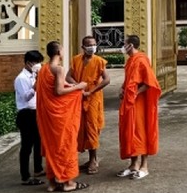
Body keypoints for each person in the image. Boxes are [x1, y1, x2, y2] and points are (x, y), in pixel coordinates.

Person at [35, 41, 89, 192]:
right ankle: (68, 183)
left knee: (52, 147)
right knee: (65, 145)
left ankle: (52, 183)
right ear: (58, 52)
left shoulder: (44, 69)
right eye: (63, 49)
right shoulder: (58, 69)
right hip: (60, 117)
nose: (64, 51)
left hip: (48, 116)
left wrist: (73, 87)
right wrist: (79, 87)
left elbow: (37, 87)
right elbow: (58, 91)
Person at [116, 34, 161, 180]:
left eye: (125, 43)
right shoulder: (130, 61)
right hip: (129, 102)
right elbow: (129, 81)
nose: (123, 46)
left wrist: (136, 93)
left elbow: (149, 83)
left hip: (139, 103)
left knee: (140, 131)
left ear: (131, 45)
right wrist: (123, 90)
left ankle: (144, 166)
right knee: (130, 131)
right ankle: (133, 165)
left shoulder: (141, 60)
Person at [67, 35, 110, 175]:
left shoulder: (99, 61)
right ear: (83, 47)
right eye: (89, 45)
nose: (92, 47)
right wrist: (78, 87)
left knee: (92, 128)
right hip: (79, 97)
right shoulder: (76, 59)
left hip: (93, 99)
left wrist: (91, 91)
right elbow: (68, 76)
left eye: (94, 44)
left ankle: (93, 159)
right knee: (79, 128)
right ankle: (85, 158)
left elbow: (106, 80)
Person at [14, 50, 45, 186]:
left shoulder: (34, 75)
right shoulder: (21, 78)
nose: (38, 65)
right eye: (36, 62)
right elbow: (26, 97)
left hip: (36, 112)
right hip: (26, 113)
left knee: (39, 142)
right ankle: (25, 176)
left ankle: (38, 169)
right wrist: (35, 85)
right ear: (28, 63)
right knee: (27, 146)